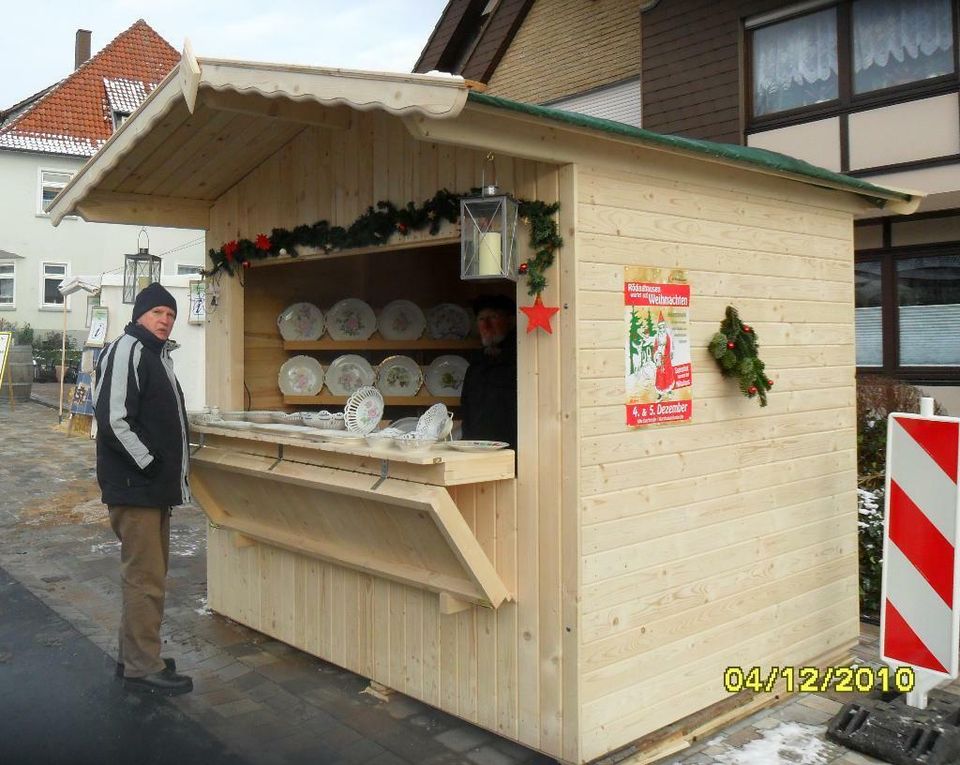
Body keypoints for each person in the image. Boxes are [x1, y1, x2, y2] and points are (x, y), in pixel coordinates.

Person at [92, 282, 193, 696]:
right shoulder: (128, 350)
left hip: (151, 490)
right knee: (145, 579)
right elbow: (113, 418)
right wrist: (151, 464)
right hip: (137, 489)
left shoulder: (154, 356)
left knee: (147, 576)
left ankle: (134, 655)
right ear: (139, 315)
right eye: (157, 314)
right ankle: (142, 666)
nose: (165, 321)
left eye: (170, 315)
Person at [459, 294, 518, 449]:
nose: (486, 325)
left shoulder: (521, 360)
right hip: (476, 448)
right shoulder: (477, 363)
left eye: (493, 317)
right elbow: (466, 407)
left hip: (512, 450)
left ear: (511, 322)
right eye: (481, 319)